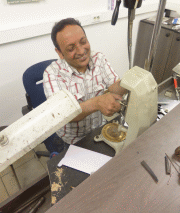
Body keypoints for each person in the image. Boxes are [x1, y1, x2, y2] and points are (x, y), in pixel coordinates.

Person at [43, 18, 127, 150]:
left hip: (99, 130)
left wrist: (128, 82)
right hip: (71, 141)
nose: (81, 51)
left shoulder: (98, 58)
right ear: (59, 52)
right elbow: (63, 113)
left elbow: (114, 87)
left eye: (83, 42)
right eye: (71, 48)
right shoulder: (52, 74)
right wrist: (97, 102)